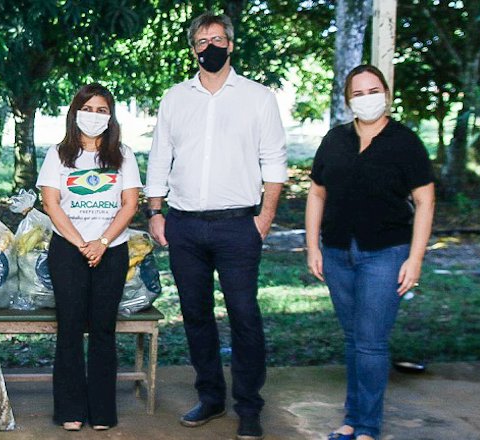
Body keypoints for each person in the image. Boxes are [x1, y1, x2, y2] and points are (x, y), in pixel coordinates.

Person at [144, 12, 288, 440]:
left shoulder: (258, 97)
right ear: (193, 48)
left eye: (218, 39)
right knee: (195, 315)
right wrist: (155, 211)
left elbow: (275, 163)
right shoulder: (175, 97)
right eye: (202, 40)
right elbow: (159, 156)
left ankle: (248, 405)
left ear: (231, 45)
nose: (211, 46)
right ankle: (210, 396)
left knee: (244, 315)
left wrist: (264, 218)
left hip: (238, 225)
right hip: (184, 226)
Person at [305, 64, 435, 440]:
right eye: (358, 93)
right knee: (354, 339)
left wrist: (416, 257)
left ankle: (367, 427)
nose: (367, 99)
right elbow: (316, 192)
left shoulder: (405, 142)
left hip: (386, 253)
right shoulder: (335, 140)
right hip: (337, 252)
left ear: (387, 94)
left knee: (372, 342)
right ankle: (352, 419)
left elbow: (425, 202)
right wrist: (313, 246)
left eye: (373, 90)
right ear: (348, 100)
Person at [37, 83, 142, 432]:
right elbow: (51, 204)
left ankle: (102, 412)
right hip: (68, 250)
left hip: (111, 250)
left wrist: (102, 241)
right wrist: (83, 243)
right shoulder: (58, 154)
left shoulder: (123, 154)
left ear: (110, 116)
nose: (94, 116)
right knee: (69, 329)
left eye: (101, 110)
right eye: (87, 108)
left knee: (102, 330)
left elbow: (130, 204)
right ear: (75, 112)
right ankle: (70, 410)